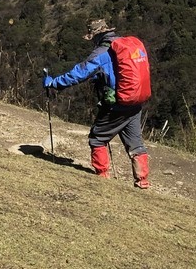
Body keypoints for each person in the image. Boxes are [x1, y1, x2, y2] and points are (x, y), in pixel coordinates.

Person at [43, 18, 150, 188]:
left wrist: (54, 83)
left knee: (98, 138)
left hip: (116, 105)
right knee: (135, 144)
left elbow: (78, 74)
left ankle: (102, 175)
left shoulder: (101, 52)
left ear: (96, 36)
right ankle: (142, 181)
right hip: (135, 102)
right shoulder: (126, 47)